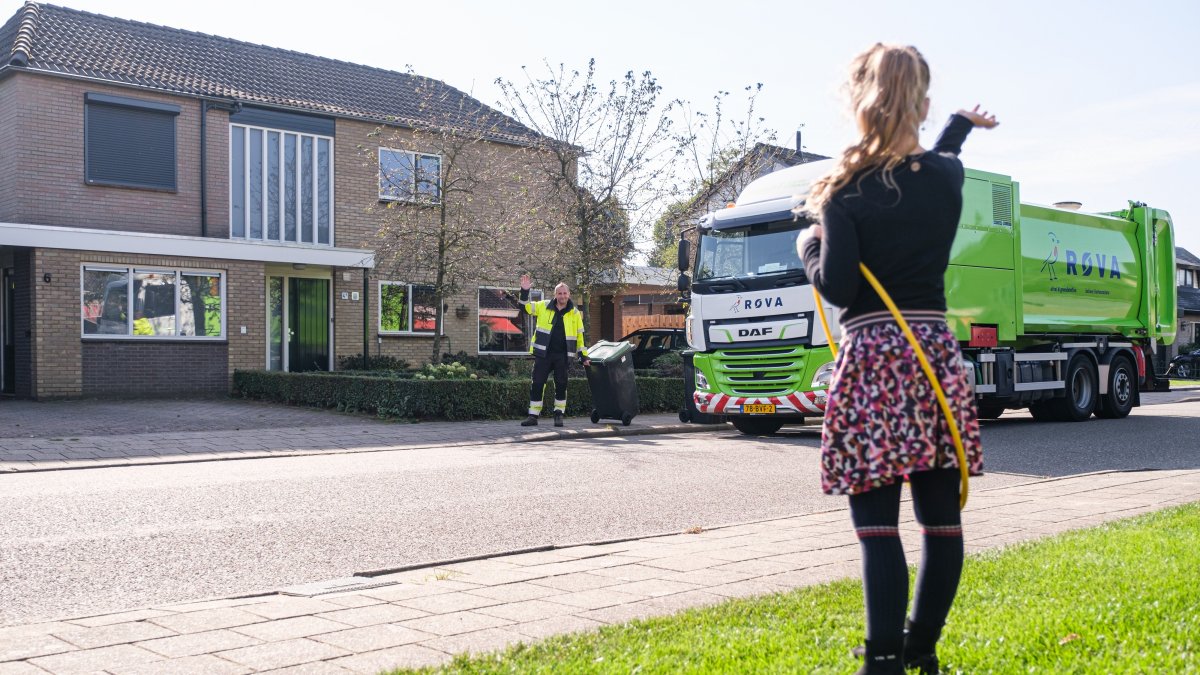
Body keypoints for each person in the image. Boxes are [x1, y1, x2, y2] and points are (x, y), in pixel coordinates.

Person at [796, 44, 995, 674]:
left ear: (859, 102)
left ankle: (882, 659)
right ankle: (922, 648)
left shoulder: (844, 191)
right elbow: (941, 157)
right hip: (933, 355)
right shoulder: (948, 179)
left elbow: (838, 288)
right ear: (922, 105)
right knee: (942, 523)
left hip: (874, 361)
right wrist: (959, 125)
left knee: (878, 528)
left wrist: (808, 247)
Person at [518, 275, 589, 427]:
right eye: (559, 293)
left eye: (565, 293)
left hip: (563, 355)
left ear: (569, 294)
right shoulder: (543, 305)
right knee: (537, 383)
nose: (562, 296)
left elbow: (580, 336)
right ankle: (533, 416)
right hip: (543, 354)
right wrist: (524, 291)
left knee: (561, 384)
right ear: (555, 294)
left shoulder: (575, 313)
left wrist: (583, 356)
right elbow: (525, 307)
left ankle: (558, 414)